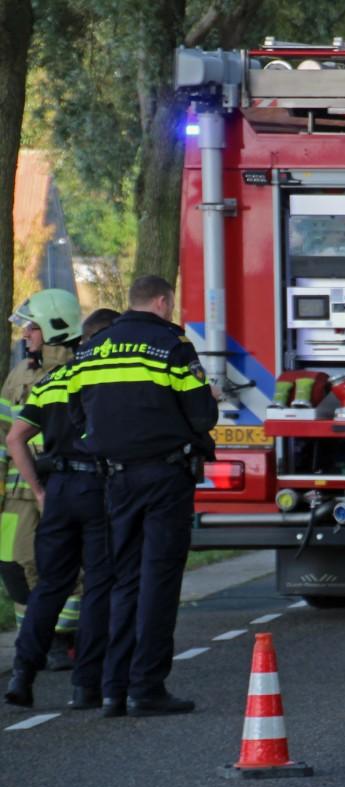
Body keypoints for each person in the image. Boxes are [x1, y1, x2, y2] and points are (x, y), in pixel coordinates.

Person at [69, 276, 218, 717]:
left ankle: (112, 690)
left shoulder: (92, 348)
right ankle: (146, 687)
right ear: (162, 301)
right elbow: (202, 414)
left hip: (115, 478)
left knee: (123, 579)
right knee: (159, 579)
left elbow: (77, 413)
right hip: (164, 476)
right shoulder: (171, 346)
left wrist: (104, 443)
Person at [4, 308, 122, 709]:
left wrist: (38, 490)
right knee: (98, 586)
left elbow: (15, 438)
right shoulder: (109, 379)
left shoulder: (52, 380)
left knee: (50, 586)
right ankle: (86, 685)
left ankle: (22, 675)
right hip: (98, 488)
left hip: (58, 492)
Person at [0, 289, 86, 670]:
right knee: (14, 565)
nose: (25, 335)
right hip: (17, 495)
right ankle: (36, 636)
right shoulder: (20, 374)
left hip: (61, 487)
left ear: (55, 328)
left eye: (32, 328)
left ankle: (66, 637)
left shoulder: (79, 371)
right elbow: (4, 433)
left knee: (66, 565)